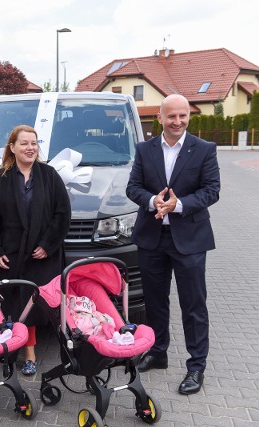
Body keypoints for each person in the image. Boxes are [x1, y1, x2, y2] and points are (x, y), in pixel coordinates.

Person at [126, 94, 220, 395]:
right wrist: (152, 200)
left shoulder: (204, 149)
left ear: (188, 117)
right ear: (160, 118)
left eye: (182, 116)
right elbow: (133, 187)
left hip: (190, 240)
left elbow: (211, 190)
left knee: (194, 304)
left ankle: (196, 367)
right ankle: (157, 352)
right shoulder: (144, 149)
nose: (177, 122)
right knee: (155, 301)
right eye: (171, 117)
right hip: (152, 238)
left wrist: (179, 205)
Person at [0, 125, 71, 376]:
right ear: (12, 147)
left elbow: (62, 214)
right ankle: (16, 351)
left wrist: (47, 245)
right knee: (15, 304)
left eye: (34, 143)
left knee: (36, 306)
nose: (30, 148)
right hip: (12, 255)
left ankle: (36, 352)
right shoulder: (1, 178)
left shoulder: (49, 175)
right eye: (24, 143)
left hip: (42, 255)